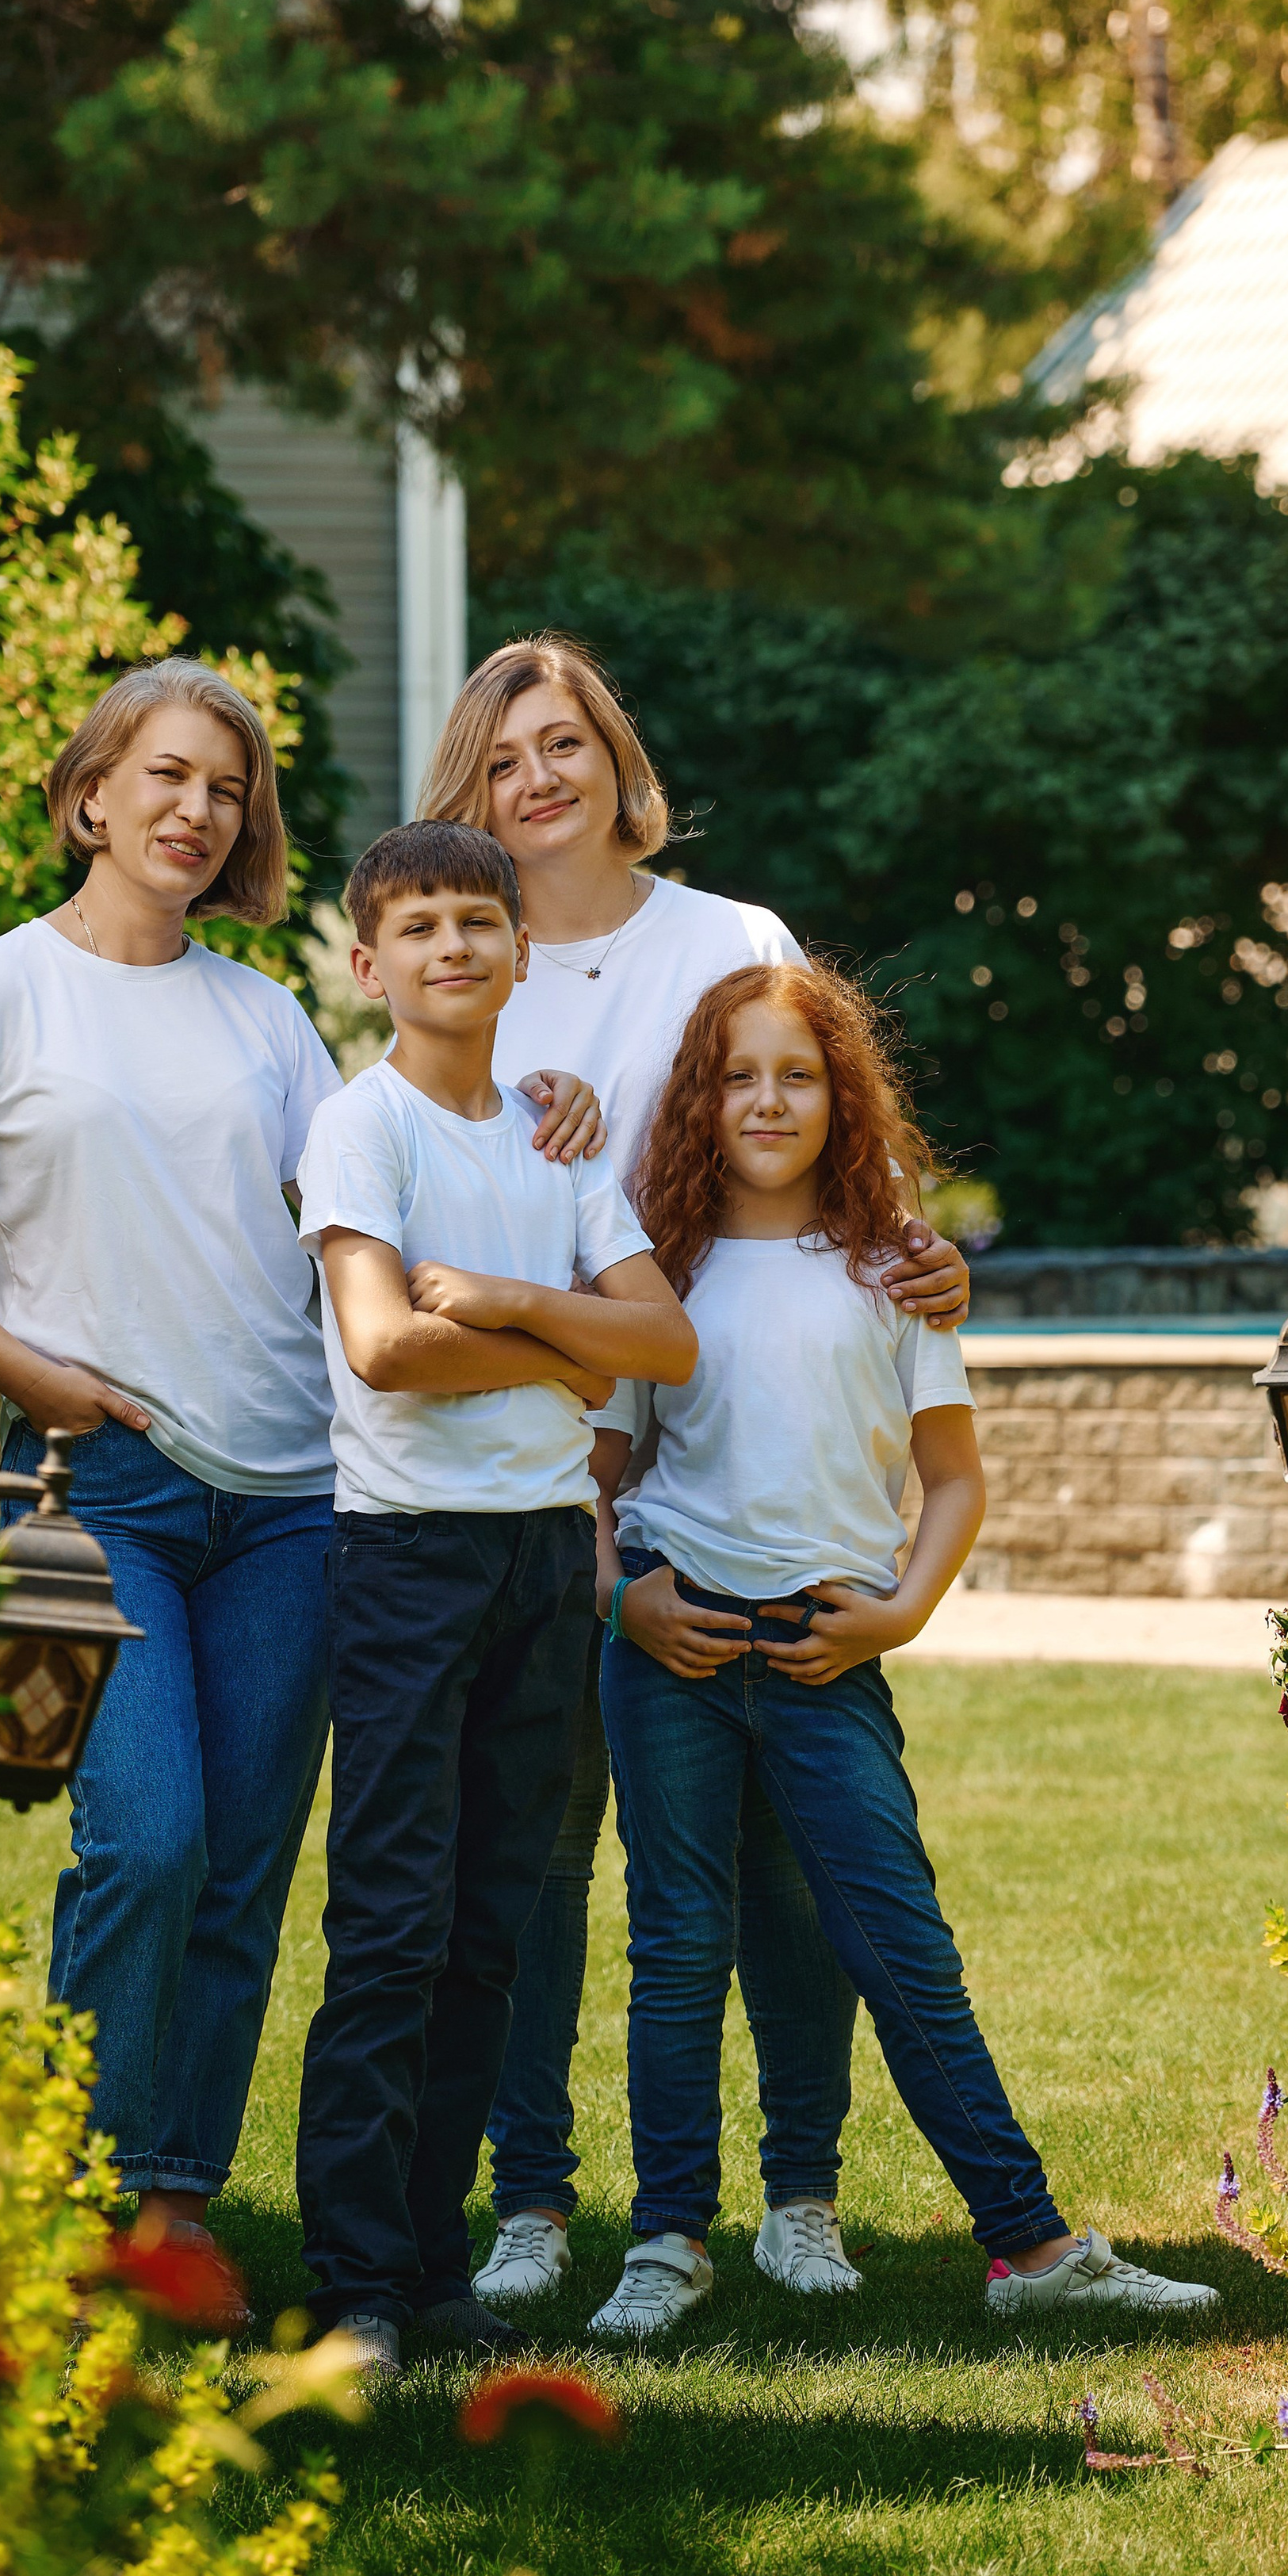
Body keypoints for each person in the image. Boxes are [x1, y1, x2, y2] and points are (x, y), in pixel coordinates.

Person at [0, 662, 604, 2291]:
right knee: (151, 1839)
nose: (197, 810)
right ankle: (69, 2188)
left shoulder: (263, 1016)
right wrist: (32, 1374)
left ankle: (175, 2200)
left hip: (294, 1502)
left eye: (228, 789)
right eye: (166, 776)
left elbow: (382, 1179)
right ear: (89, 792)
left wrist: (535, 1097)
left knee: (248, 1861)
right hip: (101, 1482)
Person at [416, 633, 973, 2310]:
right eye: (505, 755)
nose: (538, 778)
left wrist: (920, 1257)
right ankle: (532, 2202)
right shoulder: (455, 955)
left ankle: (795, 2197)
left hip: (737, 1477)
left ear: (614, 760)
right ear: (471, 788)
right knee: (533, 1854)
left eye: (565, 742)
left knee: (785, 1867)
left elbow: (826, 1125)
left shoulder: (727, 939)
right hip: (531, 1467)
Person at [585, 959, 1221, 2337]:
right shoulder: (657, 1270)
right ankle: (667, 2242)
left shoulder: (894, 1273)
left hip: (830, 1650)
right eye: (739, 1074)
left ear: (840, 1097)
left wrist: (903, 1610)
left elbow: (954, 1480)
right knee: (680, 1947)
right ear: (703, 1095)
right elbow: (600, 1471)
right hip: (673, 1646)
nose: (768, 1099)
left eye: (798, 1075)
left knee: (898, 1943)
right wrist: (619, 1600)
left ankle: (1034, 2251)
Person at [293, 818, 698, 2376]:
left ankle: (432, 2267)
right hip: (408, 1559)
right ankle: (350, 2287)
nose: (454, 946)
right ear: (367, 961)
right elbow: (384, 1344)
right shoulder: (363, 1126)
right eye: (420, 926)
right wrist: (570, 1349)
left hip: (543, 1560)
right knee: (388, 1924)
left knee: (488, 1934)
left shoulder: (559, 1138)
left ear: (522, 952)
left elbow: (662, 1343)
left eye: (480, 921)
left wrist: (534, 1315)